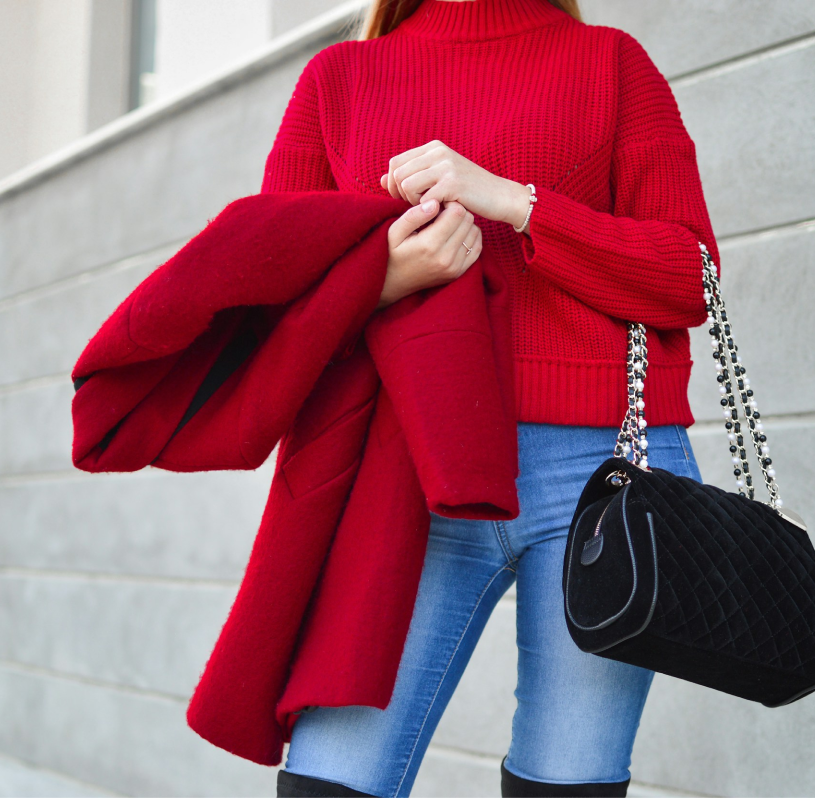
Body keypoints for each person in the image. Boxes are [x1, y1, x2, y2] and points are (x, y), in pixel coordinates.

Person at [266, 1, 719, 795]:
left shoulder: (612, 63)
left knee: (567, 785)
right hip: (403, 472)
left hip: (605, 474)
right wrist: (389, 276)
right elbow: (273, 300)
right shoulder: (339, 78)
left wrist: (516, 202)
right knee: (330, 781)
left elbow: (690, 276)